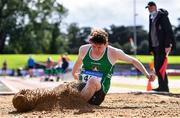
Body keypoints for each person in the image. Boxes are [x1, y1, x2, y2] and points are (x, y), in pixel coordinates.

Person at [72, 28, 155, 105]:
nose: (96, 50)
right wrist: (73, 73)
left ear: (106, 44)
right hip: (82, 86)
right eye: (93, 46)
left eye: (99, 47)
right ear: (90, 43)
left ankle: (76, 104)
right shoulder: (83, 49)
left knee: (92, 81)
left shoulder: (113, 53)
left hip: (98, 93)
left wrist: (147, 74)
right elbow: (79, 61)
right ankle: (73, 101)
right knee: (65, 86)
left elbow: (133, 60)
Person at [146, 1, 176, 92]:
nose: (149, 9)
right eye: (148, 7)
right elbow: (151, 33)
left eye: (150, 7)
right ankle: (162, 87)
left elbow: (168, 30)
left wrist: (167, 45)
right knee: (157, 66)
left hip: (162, 45)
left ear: (155, 6)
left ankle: (164, 88)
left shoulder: (162, 16)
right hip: (155, 46)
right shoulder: (151, 17)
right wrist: (151, 47)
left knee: (161, 67)